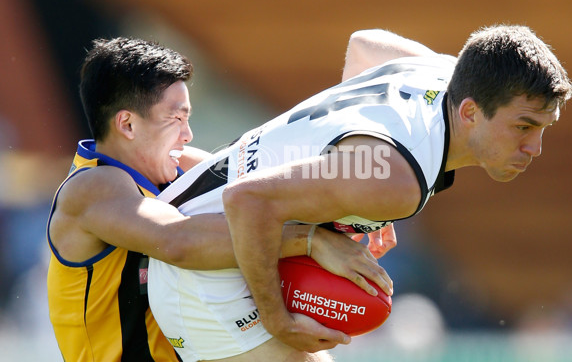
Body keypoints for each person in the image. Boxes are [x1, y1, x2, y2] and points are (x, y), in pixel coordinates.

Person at [147, 24, 572, 360]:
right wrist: (278, 320)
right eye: (523, 127)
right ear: (470, 112)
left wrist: (352, 192)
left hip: (219, 229)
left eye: (542, 129)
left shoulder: (445, 72)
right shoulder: (391, 180)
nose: (534, 148)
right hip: (200, 274)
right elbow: (246, 200)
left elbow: (364, 46)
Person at [46, 37, 393, 362]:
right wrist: (311, 241)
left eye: (188, 117)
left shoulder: (176, 164)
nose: (188, 133)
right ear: (128, 125)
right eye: (176, 118)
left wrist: (356, 212)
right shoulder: (91, 187)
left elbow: (280, 180)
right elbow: (179, 241)